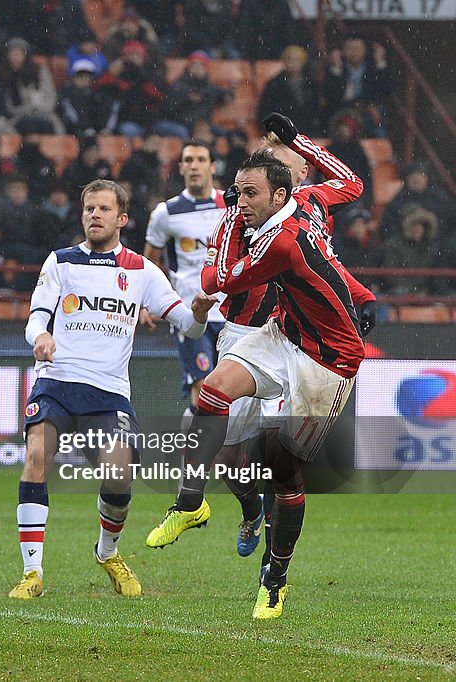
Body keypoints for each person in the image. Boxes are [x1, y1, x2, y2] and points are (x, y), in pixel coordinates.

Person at [146, 114, 368, 619]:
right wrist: (295, 139)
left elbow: (218, 276)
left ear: (284, 188)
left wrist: (227, 221)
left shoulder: (282, 240)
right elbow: (349, 188)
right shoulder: (290, 209)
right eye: (239, 193)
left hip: (326, 361)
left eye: (249, 195)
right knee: (211, 395)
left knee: (282, 469)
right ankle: (191, 502)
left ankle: (276, 576)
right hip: (279, 331)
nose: (237, 202)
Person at [8, 178, 217, 599]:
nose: (94, 216)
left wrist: (197, 313)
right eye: (89, 209)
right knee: (36, 456)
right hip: (56, 382)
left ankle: (107, 553)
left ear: (121, 219)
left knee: (120, 475)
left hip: (107, 394)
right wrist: (41, 339)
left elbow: (187, 325)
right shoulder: (61, 262)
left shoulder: (141, 270)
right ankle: (32, 574)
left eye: (103, 209)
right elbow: (36, 318)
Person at [143, 139, 227, 412]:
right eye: (188, 160)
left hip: (232, 314)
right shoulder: (165, 213)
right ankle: (198, 454)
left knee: (231, 391)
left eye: (201, 160)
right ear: (180, 168)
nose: (194, 166)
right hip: (190, 314)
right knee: (202, 387)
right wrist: (145, 302)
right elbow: (149, 264)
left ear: (212, 167)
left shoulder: (232, 207)